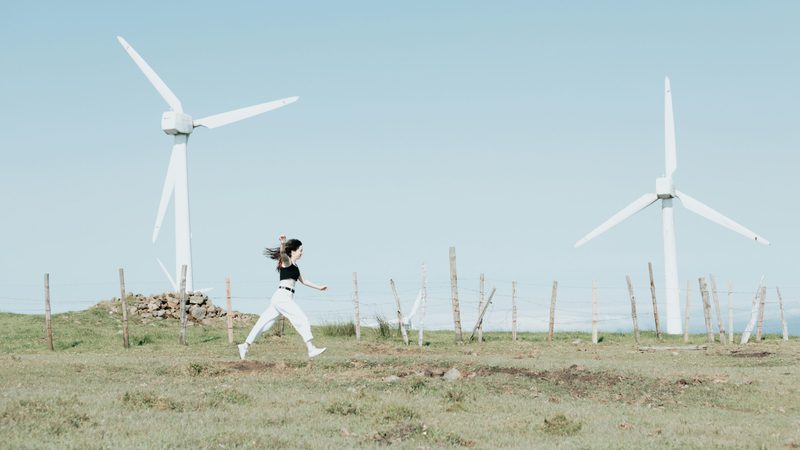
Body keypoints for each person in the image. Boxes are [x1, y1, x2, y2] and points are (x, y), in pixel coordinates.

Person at [238, 235, 327, 359]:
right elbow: (283, 254)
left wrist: (319, 287)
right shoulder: (287, 261)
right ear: (293, 251)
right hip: (282, 297)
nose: (302, 253)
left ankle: (245, 345)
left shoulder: (295, 266)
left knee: (264, 324)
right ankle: (311, 348)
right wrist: (282, 244)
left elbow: (304, 281)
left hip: (283, 298)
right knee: (301, 318)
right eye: (300, 250)